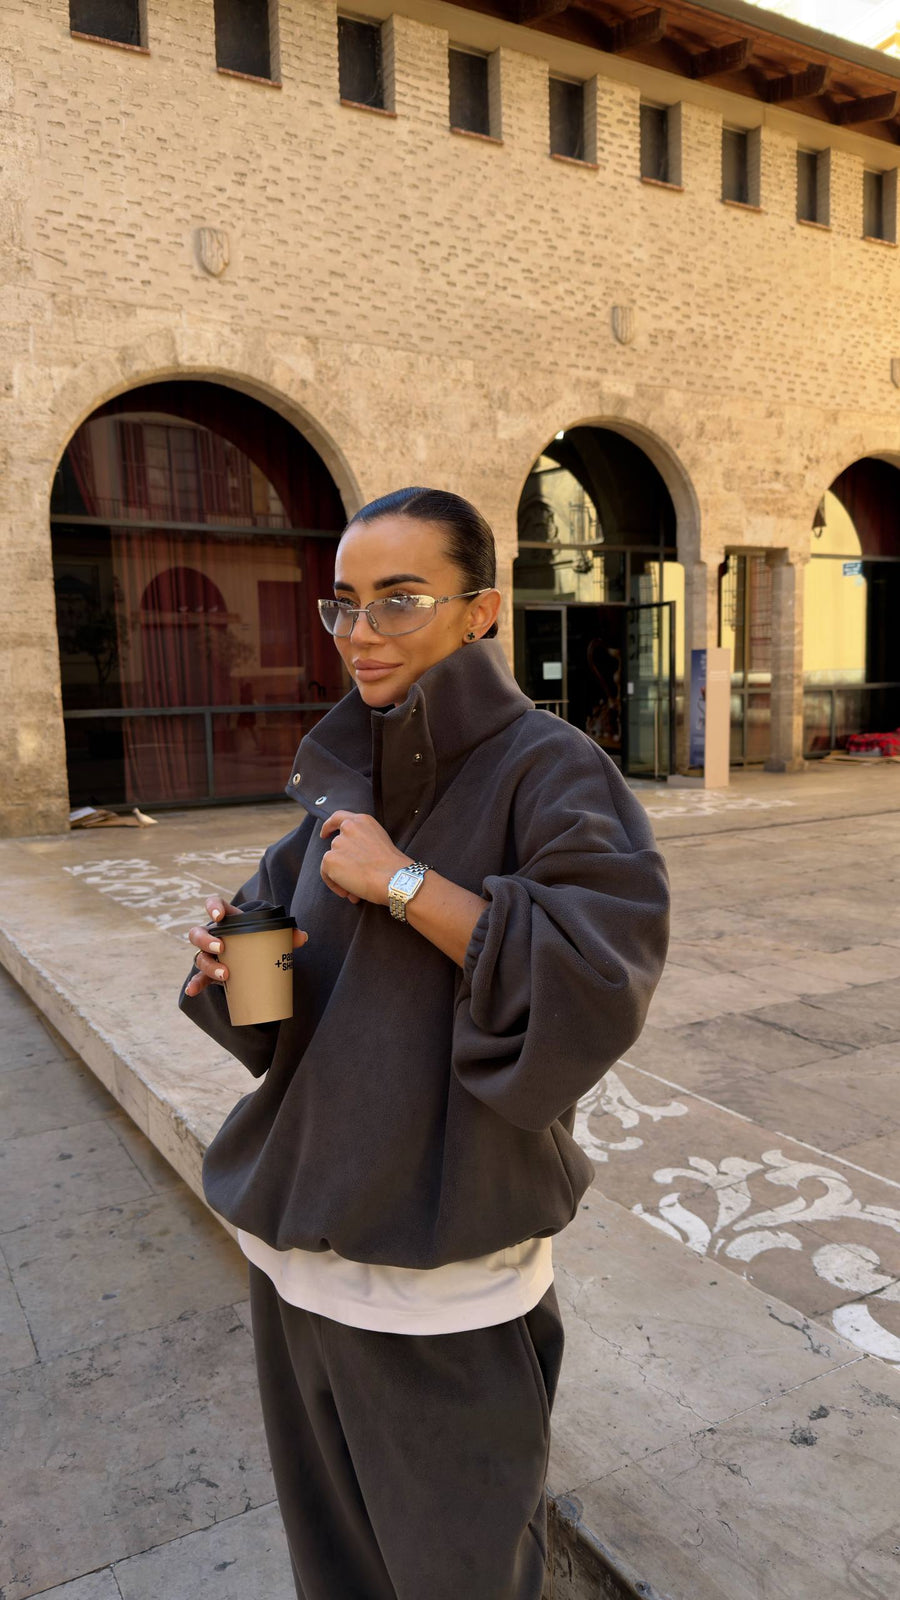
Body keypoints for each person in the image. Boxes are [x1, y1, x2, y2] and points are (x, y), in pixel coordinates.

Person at [179, 487, 670, 1600]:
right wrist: (236, 967)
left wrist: (404, 882)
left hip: (443, 1281)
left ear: (481, 609)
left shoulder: (550, 769)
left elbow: (596, 979)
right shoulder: (337, 778)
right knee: (337, 1571)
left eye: (399, 601)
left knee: (460, 1577)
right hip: (295, 1256)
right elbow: (287, 1012)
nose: (362, 633)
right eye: (343, 604)